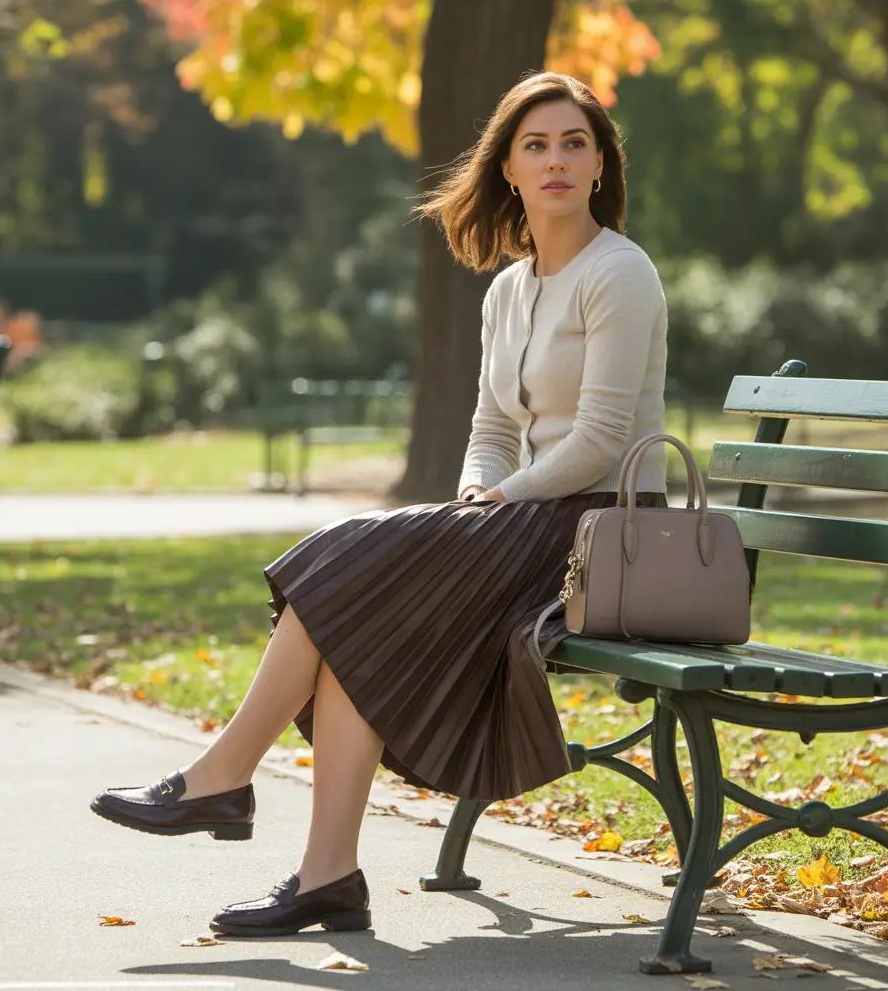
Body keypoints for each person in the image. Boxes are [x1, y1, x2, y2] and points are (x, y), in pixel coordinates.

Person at [89, 70, 668, 939]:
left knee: (350, 566)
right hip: (526, 522)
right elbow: (490, 427)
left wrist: (498, 498)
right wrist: (476, 489)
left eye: (574, 144)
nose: (555, 160)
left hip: (604, 533)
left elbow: (601, 439)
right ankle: (324, 872)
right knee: (359, 607)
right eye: (536, 145)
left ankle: (226, 779)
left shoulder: (620, 273)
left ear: (599, 166)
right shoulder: (508, 290)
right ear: (508, 168)